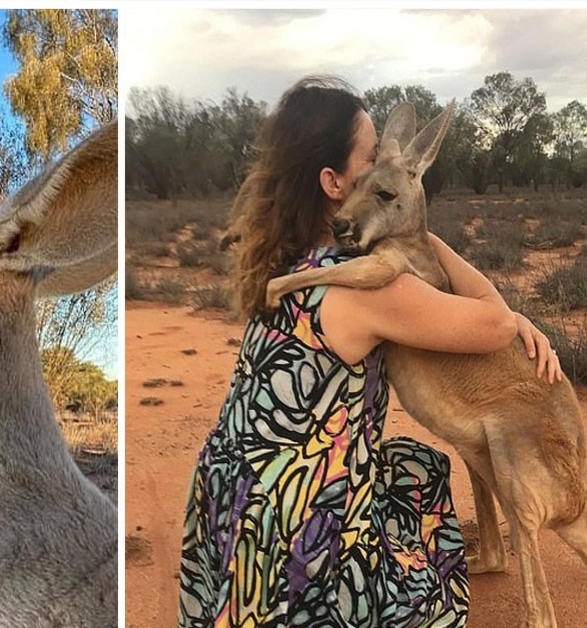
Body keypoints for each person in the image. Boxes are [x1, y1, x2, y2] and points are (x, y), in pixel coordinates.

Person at [178, 76, 563, 627]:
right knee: (423, 586)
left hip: (229, 497)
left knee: (412, 467)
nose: (387, 163)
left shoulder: (290, 260)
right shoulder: (367, 288)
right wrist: (412, 218)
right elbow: (495, 323)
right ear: (334, 183)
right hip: (293, 522)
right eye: (372, 159)